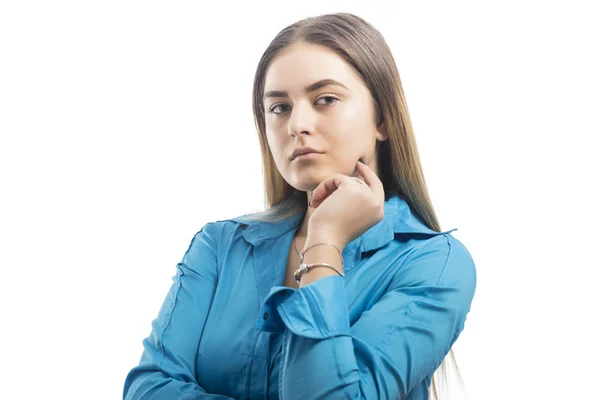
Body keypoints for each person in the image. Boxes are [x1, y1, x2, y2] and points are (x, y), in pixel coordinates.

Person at [123, 12, 476, 400]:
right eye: (279, 108)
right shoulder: (220, 247)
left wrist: (325, 239)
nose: (296, 124)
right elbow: (147, 388)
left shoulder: (436, 265)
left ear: (384, 119)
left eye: (325, 99)